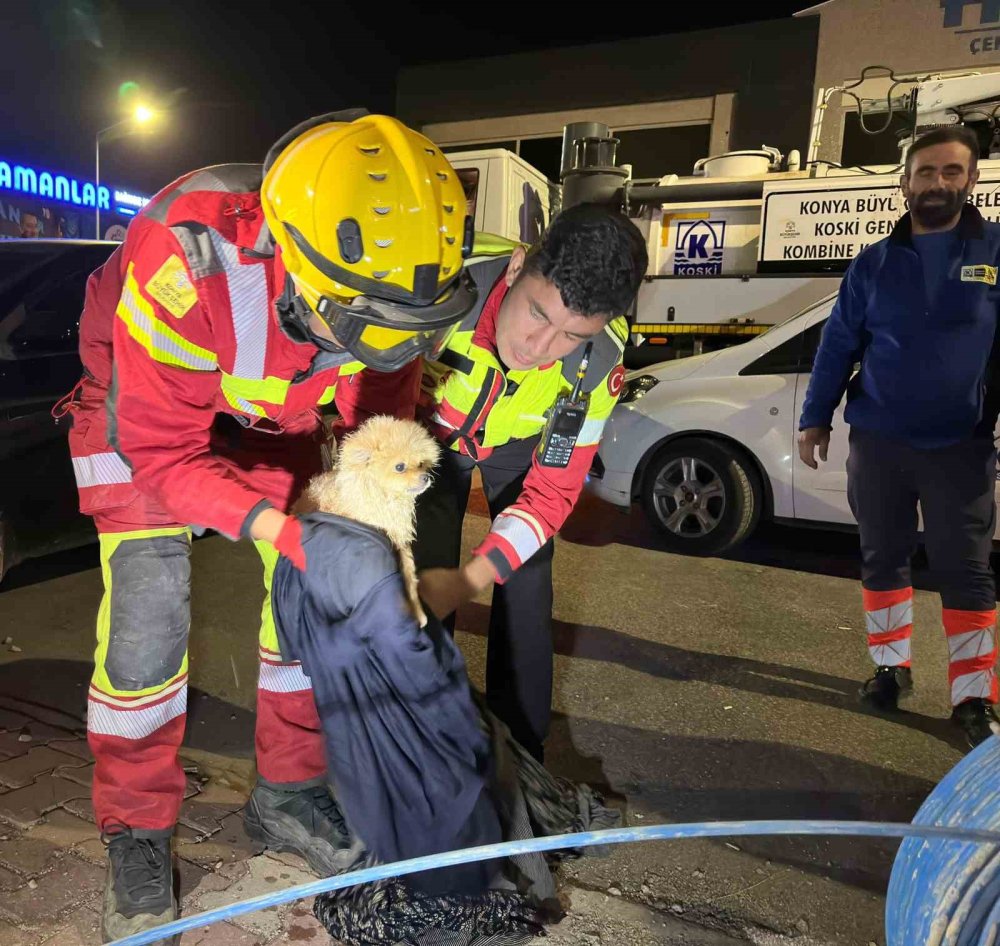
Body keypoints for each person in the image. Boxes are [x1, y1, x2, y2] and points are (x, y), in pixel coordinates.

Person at [56, 110, 476, 941]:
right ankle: (136, 830)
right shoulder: (185, 262)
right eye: (358, 327)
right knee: (148, 617)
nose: (376, 347)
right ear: (290, 259)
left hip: (270, 415)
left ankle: (288, 793)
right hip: (142, 410)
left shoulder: (395, 286)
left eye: (397, 334)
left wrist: (375, 550)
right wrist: (283, 531)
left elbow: (377, 434)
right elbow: (163, 454)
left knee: (308, 602)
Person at [410, 203, 648, 762]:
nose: (538, 348)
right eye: (537, 314)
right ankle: (419, 725)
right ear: (517, 267)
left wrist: (475, 575)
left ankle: (520, 743)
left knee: (527, 570)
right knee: (422, 566)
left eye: (571, 336)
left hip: (519, 444)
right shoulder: (439, 289)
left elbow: (552, 493)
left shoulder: (600, 364)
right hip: (429, 432)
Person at [797, 125, 1000, 749]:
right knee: (882, 557)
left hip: (961, 444)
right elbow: (838, 343)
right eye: (926, 172)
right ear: (905, 182)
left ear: (971, 179)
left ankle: (973, 699)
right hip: (879, 441)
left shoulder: (995, 251)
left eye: (951, 171)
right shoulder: (874, 263)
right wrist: (815, 415)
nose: (938, 183)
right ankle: (890, 670)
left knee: (966, 572)